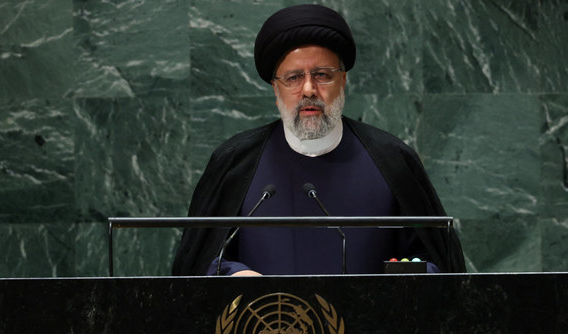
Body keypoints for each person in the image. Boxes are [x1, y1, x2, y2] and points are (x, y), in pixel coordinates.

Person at [172, 4, 465, 276]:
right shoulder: (235, 162)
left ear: (343, 81)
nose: (309, 89)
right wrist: (234, 273)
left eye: (322, 75)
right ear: (276, 88)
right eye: (294, 77)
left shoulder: (392, 160)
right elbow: (196, 264)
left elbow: (438, 265)